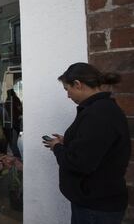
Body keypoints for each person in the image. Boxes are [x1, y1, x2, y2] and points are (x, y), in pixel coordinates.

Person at [43, 63, 131, 224]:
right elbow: (95, 146)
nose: (68, 96)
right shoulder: (101, 109)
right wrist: (68, 141)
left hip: (96, 208)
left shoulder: (98, 114)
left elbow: (79, 163)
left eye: (67, 89)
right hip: (96, 203)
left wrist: (57, 147)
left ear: (78, 84)